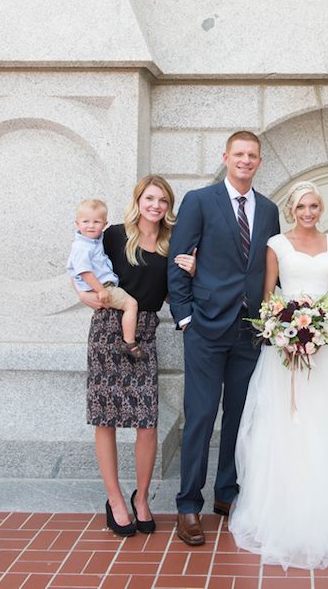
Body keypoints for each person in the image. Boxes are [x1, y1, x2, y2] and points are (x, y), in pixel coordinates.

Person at [229, 181, 328, 570]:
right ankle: (283, 503)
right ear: (291, 209)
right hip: (284, 347)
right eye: (302, 206)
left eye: (314, 206)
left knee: (327, 422)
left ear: (320, 208)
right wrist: (286, 334)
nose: (308, 212)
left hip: (327, 348)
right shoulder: (276, 246)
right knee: (284, 425)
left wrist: (320, 331)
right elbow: (269, 297)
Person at [168, 131, 280, 547]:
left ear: (259, 161)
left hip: (249, 331)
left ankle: (226, 494)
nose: (245, 161)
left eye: (252, 155)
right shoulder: (199, 200)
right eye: (239, 154)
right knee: (200, 416)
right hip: (205, 330)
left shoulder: (268, 210)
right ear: (226, 157)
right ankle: (187, 505)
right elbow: (178, 261)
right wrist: (184, 319)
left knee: (239, 417)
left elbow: (270, 267)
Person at [75, 176, 195, 536]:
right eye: (150, 198)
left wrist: (194, 270)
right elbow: (79, 262)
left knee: (147, 422)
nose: (155, 205)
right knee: (105, 419)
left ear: (168, 208)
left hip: (144, 333)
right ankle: (114, 500)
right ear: (139, 200)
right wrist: (83, 296)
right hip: (107, 330)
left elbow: (179, 291)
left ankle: (141, 498)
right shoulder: (112, 235)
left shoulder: (172, 243)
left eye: (163, 201)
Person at [68, 198, 145, 360]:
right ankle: (129, 342)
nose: (91, 225)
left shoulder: (94, 240)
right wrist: (100, 290)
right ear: (77, 223)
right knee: (131, 304)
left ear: (104, 224)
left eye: (96, 222)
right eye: (85, 221)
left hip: (102, 286)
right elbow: (84, 272)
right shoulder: (83, 246)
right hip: (102, 287)